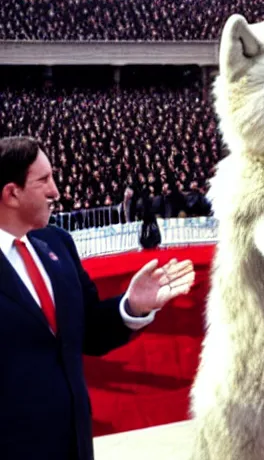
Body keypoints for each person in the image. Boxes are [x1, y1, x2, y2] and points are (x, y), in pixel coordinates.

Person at [0, 136, 196, 460]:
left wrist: (132, 306)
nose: (56, 192)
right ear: (12, 193)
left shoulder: (58, 243)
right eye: (44, 180)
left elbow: (88, 326)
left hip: (74, 445)